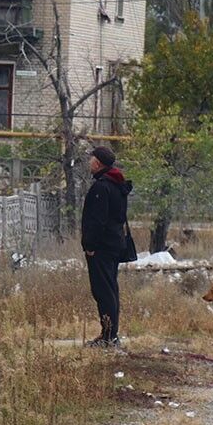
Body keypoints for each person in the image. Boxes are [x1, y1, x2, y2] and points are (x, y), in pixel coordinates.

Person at [81, 145, 132, 347]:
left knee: (103, 291)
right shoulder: (116, 184)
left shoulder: (102, 187)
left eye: (91, 159)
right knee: (110, 288)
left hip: (102, 247)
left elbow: (97, 221)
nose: (89, 163)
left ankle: (109, 336)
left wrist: (90, 245)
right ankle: (110, 334)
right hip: (114, 244)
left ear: (98, 163)